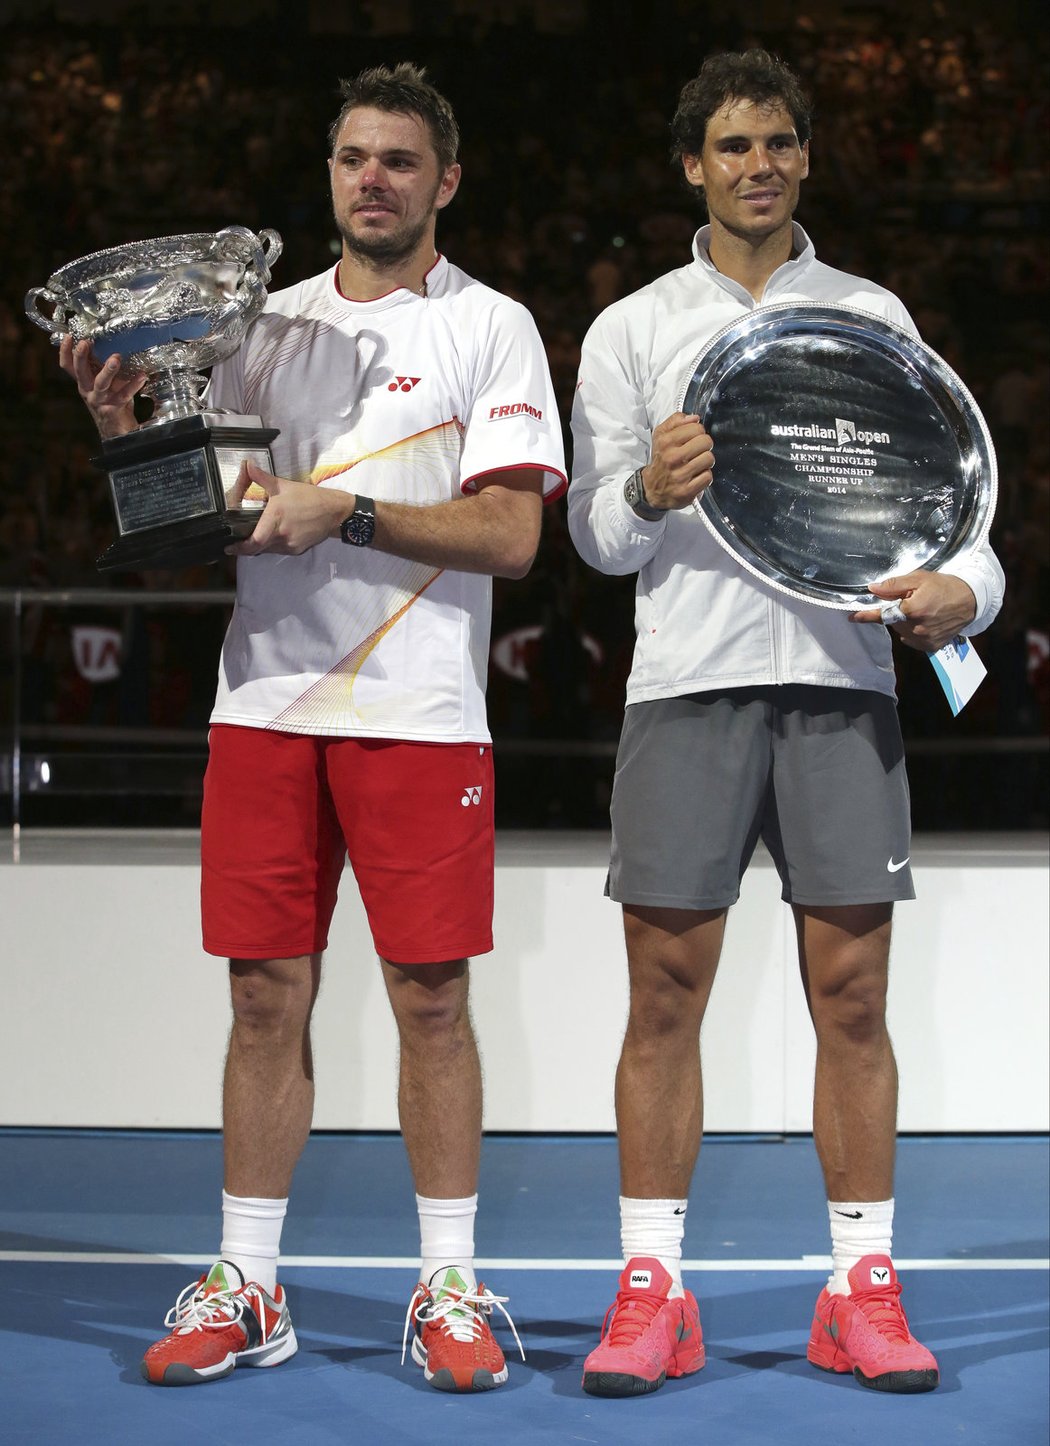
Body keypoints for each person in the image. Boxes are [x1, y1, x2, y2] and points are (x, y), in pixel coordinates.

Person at [61, 62, 566, 1393]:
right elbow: (192, 525)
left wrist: (344, 509)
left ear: (444, 180)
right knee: (260, 993)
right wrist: (124, 433)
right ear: (329, 174)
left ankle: (447, 1282)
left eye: (400, 159)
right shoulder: (255, 325)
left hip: (420, 717)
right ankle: (249, 1280)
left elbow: (513, 534)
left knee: (432, 1000)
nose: (374, 179)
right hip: (265, 705)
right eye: (353, 157)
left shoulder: (490, 327)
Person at [567, 48, 1004, 1400]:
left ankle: (861, 1288)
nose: (755, 163)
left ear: (804, 158)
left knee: (853, 998)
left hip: (841, 691)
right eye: (729, 145)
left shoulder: (871, 311)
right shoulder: (632, 327)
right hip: (683, 688)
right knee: (661, 995)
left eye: (777, 142)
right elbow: (591, 535)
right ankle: (651, 1290)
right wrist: (644, 484)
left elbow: (956, 519)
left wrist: (959, 595)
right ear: (689, 165)